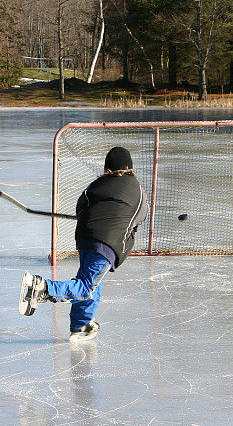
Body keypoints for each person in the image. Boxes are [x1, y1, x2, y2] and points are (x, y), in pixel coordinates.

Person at [19, 146, 148, 342]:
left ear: (107, 167)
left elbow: (81, 207)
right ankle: (44, 287)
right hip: (108, 242)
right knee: (87, 286)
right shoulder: (137, 189)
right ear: (130, 167)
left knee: (90, 281)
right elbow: (141, 215)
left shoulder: (96, 185)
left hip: (85, 237)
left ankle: (81, 324)